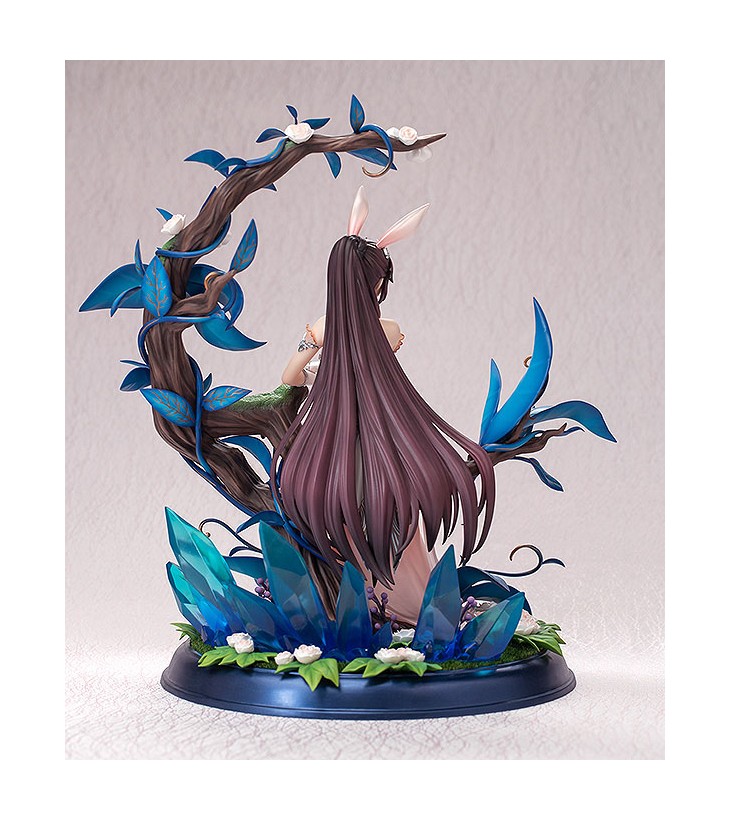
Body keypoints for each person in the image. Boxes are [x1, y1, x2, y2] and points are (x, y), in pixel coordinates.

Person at [272, 188, 495, 626]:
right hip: (381, 443)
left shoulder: (321, 328)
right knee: (392, 517)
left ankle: (361, 606)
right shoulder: (390, 331)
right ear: (374, 284)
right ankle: (408, 604)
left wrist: (317, 371)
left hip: (331, 444)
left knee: (343, 519)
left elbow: (289, 377)